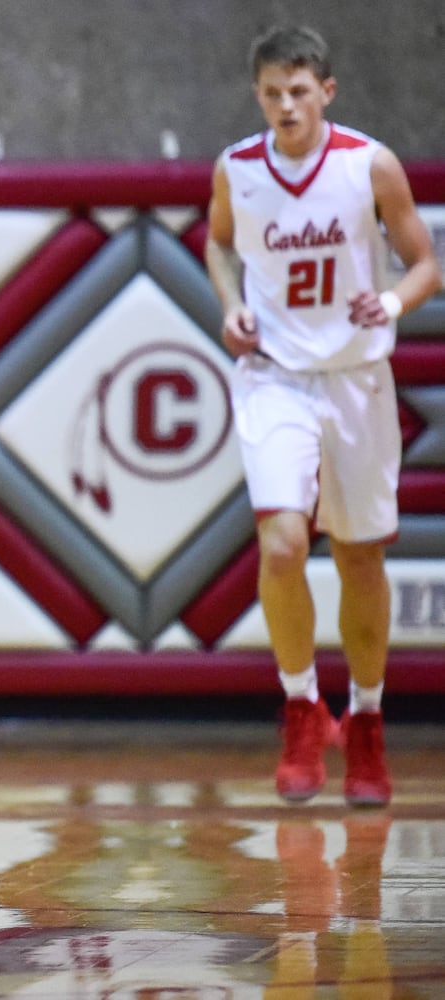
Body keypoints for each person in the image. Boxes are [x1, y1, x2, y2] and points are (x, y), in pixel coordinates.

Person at [205, 26, 441, 807]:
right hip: (273, 376)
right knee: (279, 541)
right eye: (271, 92)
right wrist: (232, 304)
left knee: (359, 558)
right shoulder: (236, 170)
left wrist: (394, 298)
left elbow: (425, 262)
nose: (284, 106)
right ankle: (302, 705)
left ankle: (366, 721)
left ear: (326, 92)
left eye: (297, 91)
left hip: (354, 378)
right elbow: (216, 244)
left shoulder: (366, 164)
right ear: (257, 95)